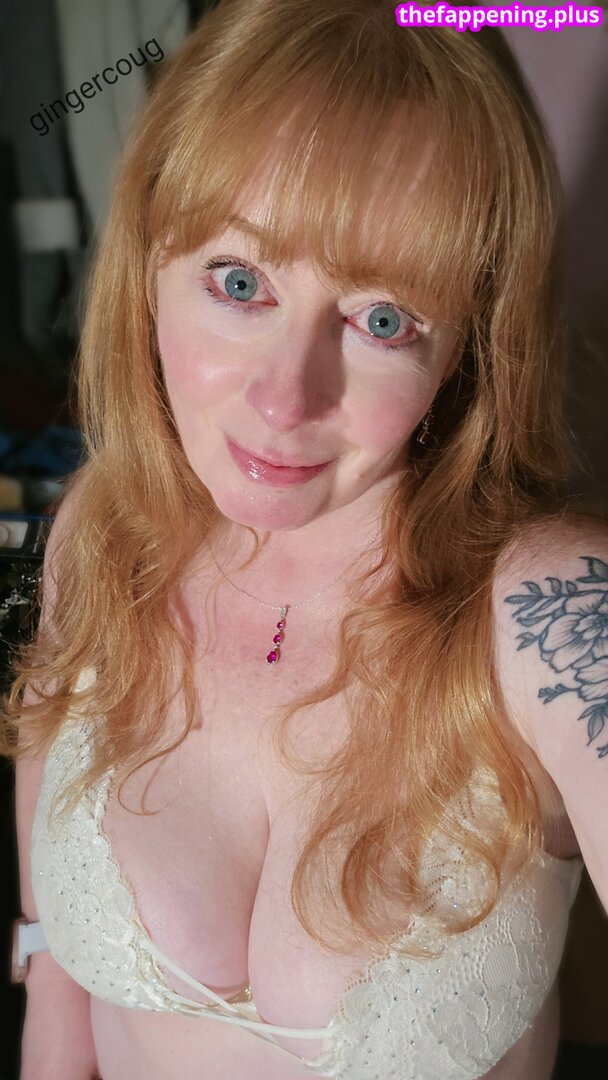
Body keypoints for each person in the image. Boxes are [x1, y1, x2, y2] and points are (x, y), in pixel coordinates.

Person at [3, 1, 608, 1078]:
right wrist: (49, 1014)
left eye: (382, 320)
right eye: (240, 283)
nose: (286, 401)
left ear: (467, 347)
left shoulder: (544, 617)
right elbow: (51, 776)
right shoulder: (105, 526)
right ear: (148, 265)